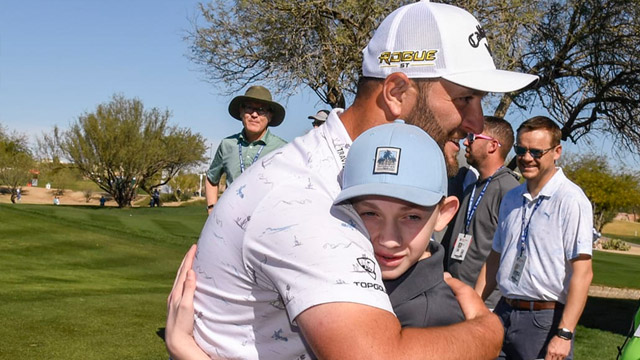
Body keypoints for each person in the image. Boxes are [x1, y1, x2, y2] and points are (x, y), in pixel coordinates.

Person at [167, 2, 538, 359]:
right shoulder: (308, 200)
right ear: (396, 93)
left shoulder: (341, 174)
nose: (476, 123)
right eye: (465, 99)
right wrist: (488, 332)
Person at [477, 116, 593, 360]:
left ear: (557, 151)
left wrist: (564, 334)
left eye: (536, 152)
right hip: (502, 312)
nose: (527, 158)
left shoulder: (571, 200)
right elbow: (494, 258)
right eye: (521, 149)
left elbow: (583, 273)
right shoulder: (511, 197)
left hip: (542, 321)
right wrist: (475, 306)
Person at [333, 121, 464, 328]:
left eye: (412, 217)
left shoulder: (429, 320)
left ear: (443, 214)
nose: (389, 240)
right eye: (370, 213)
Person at [442, 116, 519, 309]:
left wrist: (480, 301)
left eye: (472, 137)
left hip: (485, 304)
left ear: (492, 146)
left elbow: (511, 253)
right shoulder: (472, 186)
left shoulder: (509, 191)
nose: (466, 142)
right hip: (455, 294)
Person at [205, 85, 287, 214]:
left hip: (265, 222)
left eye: (261, 110)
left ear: (270, 116)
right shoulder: (227, 145)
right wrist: (211, 208)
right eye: (249, 108)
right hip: (229, 221)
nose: (254, 115)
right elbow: (211, 178)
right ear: (241, 111)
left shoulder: (282, 148)